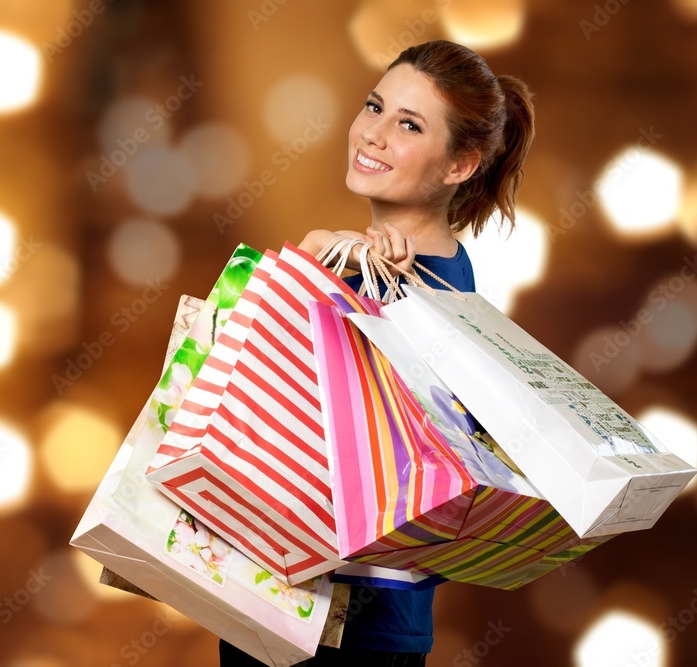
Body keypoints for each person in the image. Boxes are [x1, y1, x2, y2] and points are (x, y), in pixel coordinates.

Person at [218, 39, 535, 666]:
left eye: (410, 125)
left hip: (348, 617)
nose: (374, 134)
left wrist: (330, 272)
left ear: (460, 165)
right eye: (375, 106)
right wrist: (321, 256)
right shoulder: (404, 264)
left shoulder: (429, 290)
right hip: (282, 588)